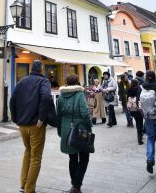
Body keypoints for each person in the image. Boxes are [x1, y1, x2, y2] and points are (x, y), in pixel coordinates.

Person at [10, 60, 52, 193]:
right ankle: (29, 189)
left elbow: (12, 100)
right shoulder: (44, 81)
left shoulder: (22, 81)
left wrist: (15, 119)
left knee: (28, 152)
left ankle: (23, 184)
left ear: (31, 69)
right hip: (36, 125)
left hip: (22, 124)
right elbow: (46, 97)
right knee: (36, 157)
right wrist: (41, 118)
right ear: (41, 69)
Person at [57, 74, 93, 193]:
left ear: (66, 83)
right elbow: (84, 113)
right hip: (80, 128)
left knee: (72, 158)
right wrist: (89, 128)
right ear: (77, 82)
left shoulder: (61, 96)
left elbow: (59, 115)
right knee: (84, 157)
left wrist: (60, 130)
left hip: (67, 128)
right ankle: (76, 186)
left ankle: (74, 186)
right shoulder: (79, 94)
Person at [126, 79, 144, 144]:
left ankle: (139, 136)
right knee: (140, 123)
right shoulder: (139, 89)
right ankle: (140, 138)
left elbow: (127, 98)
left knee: (137, 122)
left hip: (132, 109)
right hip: (139, 107)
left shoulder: (129, 89)